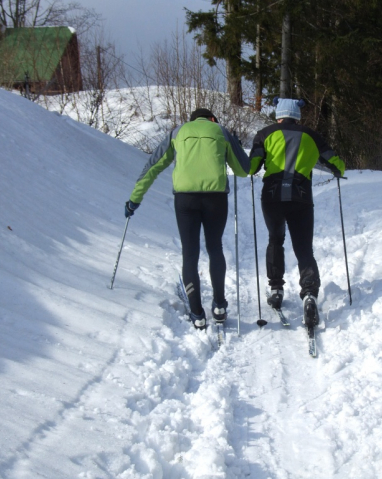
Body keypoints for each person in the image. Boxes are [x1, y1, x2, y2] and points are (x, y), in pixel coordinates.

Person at [125, 108, 250, 330]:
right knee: (215, 248)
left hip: (185, 200)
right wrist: (237, 146)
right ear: (212, 119)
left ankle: (197, 313)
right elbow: (243, 170)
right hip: (216, 199)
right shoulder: (220, 131)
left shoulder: (177, 132)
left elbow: (153, 166)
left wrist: (135, 199)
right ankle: (219, 306)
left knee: (190, 253)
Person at [249, 98, 345, 327]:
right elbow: (337, 165)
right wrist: (339, 170)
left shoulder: (264, 134)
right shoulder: (311, 136)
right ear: (297, 115)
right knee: (303, 248)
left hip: (272, 198)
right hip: (301, 198)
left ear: (278, 114)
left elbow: (251, 167)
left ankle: (276, 289)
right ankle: (310, 292)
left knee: (275, 240)